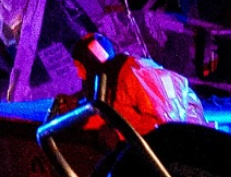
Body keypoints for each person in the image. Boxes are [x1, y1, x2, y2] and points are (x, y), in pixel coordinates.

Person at [66, 33, 206, 137]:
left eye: (80, 67)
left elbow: (166, 126)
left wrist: (113, 129)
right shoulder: (110, 83)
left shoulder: (137, 74)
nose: (80, 75)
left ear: (91, 63)